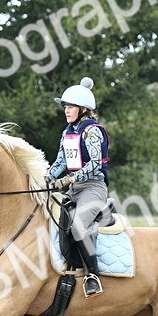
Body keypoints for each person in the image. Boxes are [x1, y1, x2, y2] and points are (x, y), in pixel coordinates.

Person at [47, 76, 112, 298]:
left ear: (83, 109)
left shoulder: (92, 131)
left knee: (77, 226)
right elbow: (61, 162)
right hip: (74, 189)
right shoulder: (68, 132)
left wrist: (68, 179)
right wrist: (46, 178)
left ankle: (93, 276)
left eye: (71, 106)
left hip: (93, 187)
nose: (66, 110)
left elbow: (95, 164)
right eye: (65, 106)